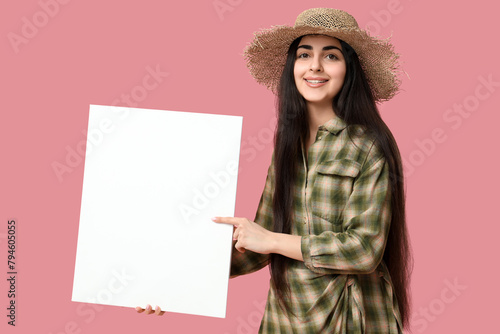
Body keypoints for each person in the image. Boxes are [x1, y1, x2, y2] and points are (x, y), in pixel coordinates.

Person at [137, 7, 413, 333]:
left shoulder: (367, 146)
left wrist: (270, 240)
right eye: (304, 54)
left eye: (331, 56)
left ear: (349, 69)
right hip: (286, 318)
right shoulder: (287, 147)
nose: (315, 66)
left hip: (351, 318)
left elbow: (364, 250)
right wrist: (175, 282)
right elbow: (257, 248)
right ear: (291, 66)